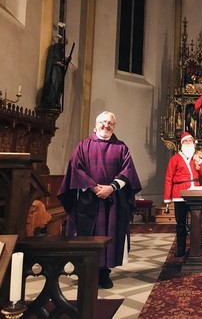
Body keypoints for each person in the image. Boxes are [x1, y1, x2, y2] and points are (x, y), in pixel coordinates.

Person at [58, 111, 142, 289]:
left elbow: (127, 171)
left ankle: (104, 274)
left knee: (108, 236)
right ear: (96, 124)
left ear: (114, 126)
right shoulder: (83, 146)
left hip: (112, 201)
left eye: (110, 123)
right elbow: (76, 169)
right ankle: (86, 273)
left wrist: (111, 188)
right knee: (88, 236)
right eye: (103, 122)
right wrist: (94, 187)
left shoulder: (121, 147)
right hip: (89, 200)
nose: (106, 125)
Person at [164, 132, 202, 257]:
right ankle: (181, 248)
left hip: (195, 193)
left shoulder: (197, 157)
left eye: (190, 140)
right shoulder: (174, 159)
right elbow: (169, 178)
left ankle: (200, 245)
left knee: (198, 221)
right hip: (179, 195)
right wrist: (167, 199)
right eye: (186, 141)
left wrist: (199, 161)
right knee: (181, 224)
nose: (188, 143)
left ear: (193, 142)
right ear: (182, 144)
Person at [40, 37, 73, 110]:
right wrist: (57, 62)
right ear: (60, 41)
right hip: (53, 70)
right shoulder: (53, 48)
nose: (64, 45)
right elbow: (51, 59)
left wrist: (67, 59)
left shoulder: (61, 51)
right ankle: (50, 102)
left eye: (66, 44)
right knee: (53, 85)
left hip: (59, 72)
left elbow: (63, 61)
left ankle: (55, 102)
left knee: (58, 87)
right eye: (64, 43)